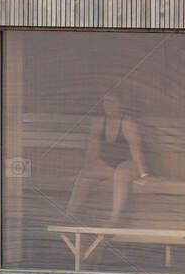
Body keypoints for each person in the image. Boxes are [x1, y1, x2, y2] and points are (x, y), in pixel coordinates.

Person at [63, 94, 149, 224]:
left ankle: (114, 220)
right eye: (105, 102)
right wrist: (89, 166)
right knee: (84, 175)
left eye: (112, 102)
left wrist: (143, 175)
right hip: (109, 167)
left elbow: (136, 151)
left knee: (120, 173)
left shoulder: (127, 123)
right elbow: (93, 149)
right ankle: (68, 216)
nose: (108, 105)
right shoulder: (99, 122)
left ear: (120, 104)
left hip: (129, 165)